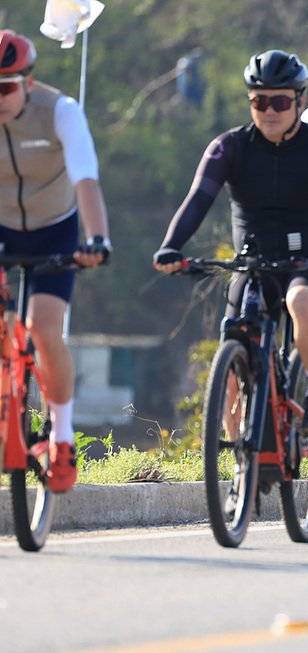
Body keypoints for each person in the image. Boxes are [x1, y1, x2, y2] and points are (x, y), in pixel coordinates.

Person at [153, 50, 308, 437]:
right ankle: (236, 468)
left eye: (280, 101)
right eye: (259, 101)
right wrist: (171, 246)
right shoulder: (228, 147)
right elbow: (199, 198)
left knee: (302, 301)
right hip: (253, 262)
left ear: (300, 99)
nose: (269, 110)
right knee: (231, 347)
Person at [0, 29, 111, 493]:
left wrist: (97, 238)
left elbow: (86, 178)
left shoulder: (61, 111)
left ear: (29, 81)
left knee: (45, 328)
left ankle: (61, 435)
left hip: (56, 229)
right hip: (3, 228)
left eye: (6, 87)